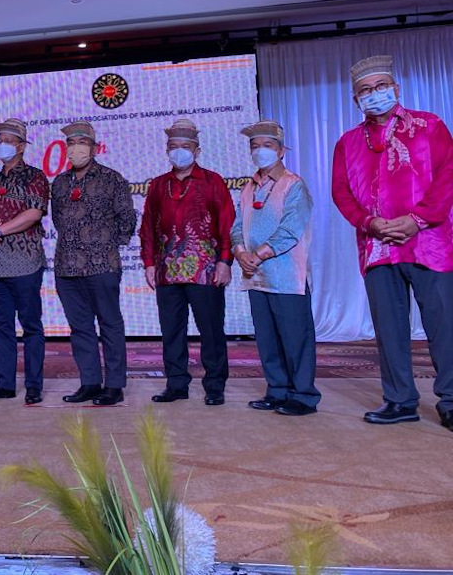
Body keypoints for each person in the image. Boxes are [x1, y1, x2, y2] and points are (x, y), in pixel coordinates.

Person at [332, 54, 453, 430]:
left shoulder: (429, 126)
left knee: (444, 325)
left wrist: (417, 220)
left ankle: (451, 400)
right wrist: (370, 223)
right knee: (389, 328)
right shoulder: (348, 142)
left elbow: (447, 176)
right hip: (378, 246)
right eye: (365, 91)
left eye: (381, 87)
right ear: (356, 99)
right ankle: (400, 400)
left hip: (430, 243)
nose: (374, 94)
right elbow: (341, 193)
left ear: (396, 89)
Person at [140, 118, 234, 406]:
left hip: (205, 269)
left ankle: (215, 385)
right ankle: (176, 383)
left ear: (197, 150)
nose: (178, 151)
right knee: (172, 331)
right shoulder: (158, 185)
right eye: (173, 146)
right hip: (167, 270)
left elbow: (227, 223)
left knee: (211, 330)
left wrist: (225, 261)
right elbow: (147, 226)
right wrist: (149, 263)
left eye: (185, 146)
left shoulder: (213, 181)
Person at [231, 120, 320, 416]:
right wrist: (240, 252)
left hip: (286, 276)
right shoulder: (248, 187)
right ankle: (277, 389)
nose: (260, 151)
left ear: (281, 151)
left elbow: (291, 230)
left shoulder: (294, 185)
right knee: (267, 337)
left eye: (267, 145)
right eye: (255, 146)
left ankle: (303, 395)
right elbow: (236, 226)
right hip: (256, 276)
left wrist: (258, 255)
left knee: (295, 337)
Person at [51, 121, 136, 406]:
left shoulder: (112, 179)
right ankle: (89, 382)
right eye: (71, 143)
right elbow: (58, 220)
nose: (76, 149)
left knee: (110, 325)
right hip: (67, 267)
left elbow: (127, 219)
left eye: (82, 143)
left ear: (94, 148)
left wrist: (106, 244)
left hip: (102, 266)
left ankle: (114, 386)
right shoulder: (60, 183)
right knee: (80, 328)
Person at [0, 117, 50, 405]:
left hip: (24, 263)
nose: (2, 145)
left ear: (20, 146)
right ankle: (3, 383)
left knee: (31, 325)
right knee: (1, 326)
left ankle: (33, 385)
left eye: (7, 140)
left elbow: (34, 213)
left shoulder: (34, 177)